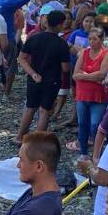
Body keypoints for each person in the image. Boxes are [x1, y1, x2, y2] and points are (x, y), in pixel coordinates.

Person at [17, 10, 72, 142]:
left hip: (34, 78)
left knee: (30, 108)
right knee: (45, 110)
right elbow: (65, 68)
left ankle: (19, 137)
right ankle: (37, 141)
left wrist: (32, 73)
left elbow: (21, 58)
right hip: (52, 80)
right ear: (59, 25)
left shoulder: (34, 38)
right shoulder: (61, 43)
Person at [72, 28, 108, 159]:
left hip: (98, 96)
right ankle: (83, 153)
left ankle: (98, 154)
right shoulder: (84, 52)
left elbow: (102, 74)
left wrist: (84, 75)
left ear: (101, 40)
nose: (91, 42)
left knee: (95, 125)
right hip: (82, 94)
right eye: (90, 39)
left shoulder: (107, 54)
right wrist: (92, 76)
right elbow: (75, 74)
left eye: (95, 39)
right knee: (82, 124)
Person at [0, 0, 32, 94]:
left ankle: (3, 88)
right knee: (9, 65)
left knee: (1, 64)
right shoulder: (10, 2)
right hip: (8, 37)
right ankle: (6, 91)